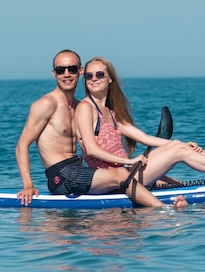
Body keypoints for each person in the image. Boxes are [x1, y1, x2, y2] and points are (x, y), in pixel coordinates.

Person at [15, 49, 187, 209]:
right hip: (62, 176)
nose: (66, 74)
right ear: (54, 73)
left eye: (72, 69)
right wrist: (28, 185)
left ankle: (185, 190)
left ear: (80, 71)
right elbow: (22, 145)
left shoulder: (79, 106)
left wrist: (175, 145)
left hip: (80, 171)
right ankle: (164, 211)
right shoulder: (46, 104)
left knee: (147, 178)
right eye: (61, 70)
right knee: (121, 175)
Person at [74, 56, 205, 188]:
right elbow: (91, 150)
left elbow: (143, 137)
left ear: (110, 79)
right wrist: (131, 161)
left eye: (99, 74)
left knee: (177, 147)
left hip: (126, 174)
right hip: (111, 182)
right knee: (177, 151)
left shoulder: (110, 111)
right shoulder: (85, 108)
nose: (93, 79)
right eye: (89, 76)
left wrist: (181, 144)